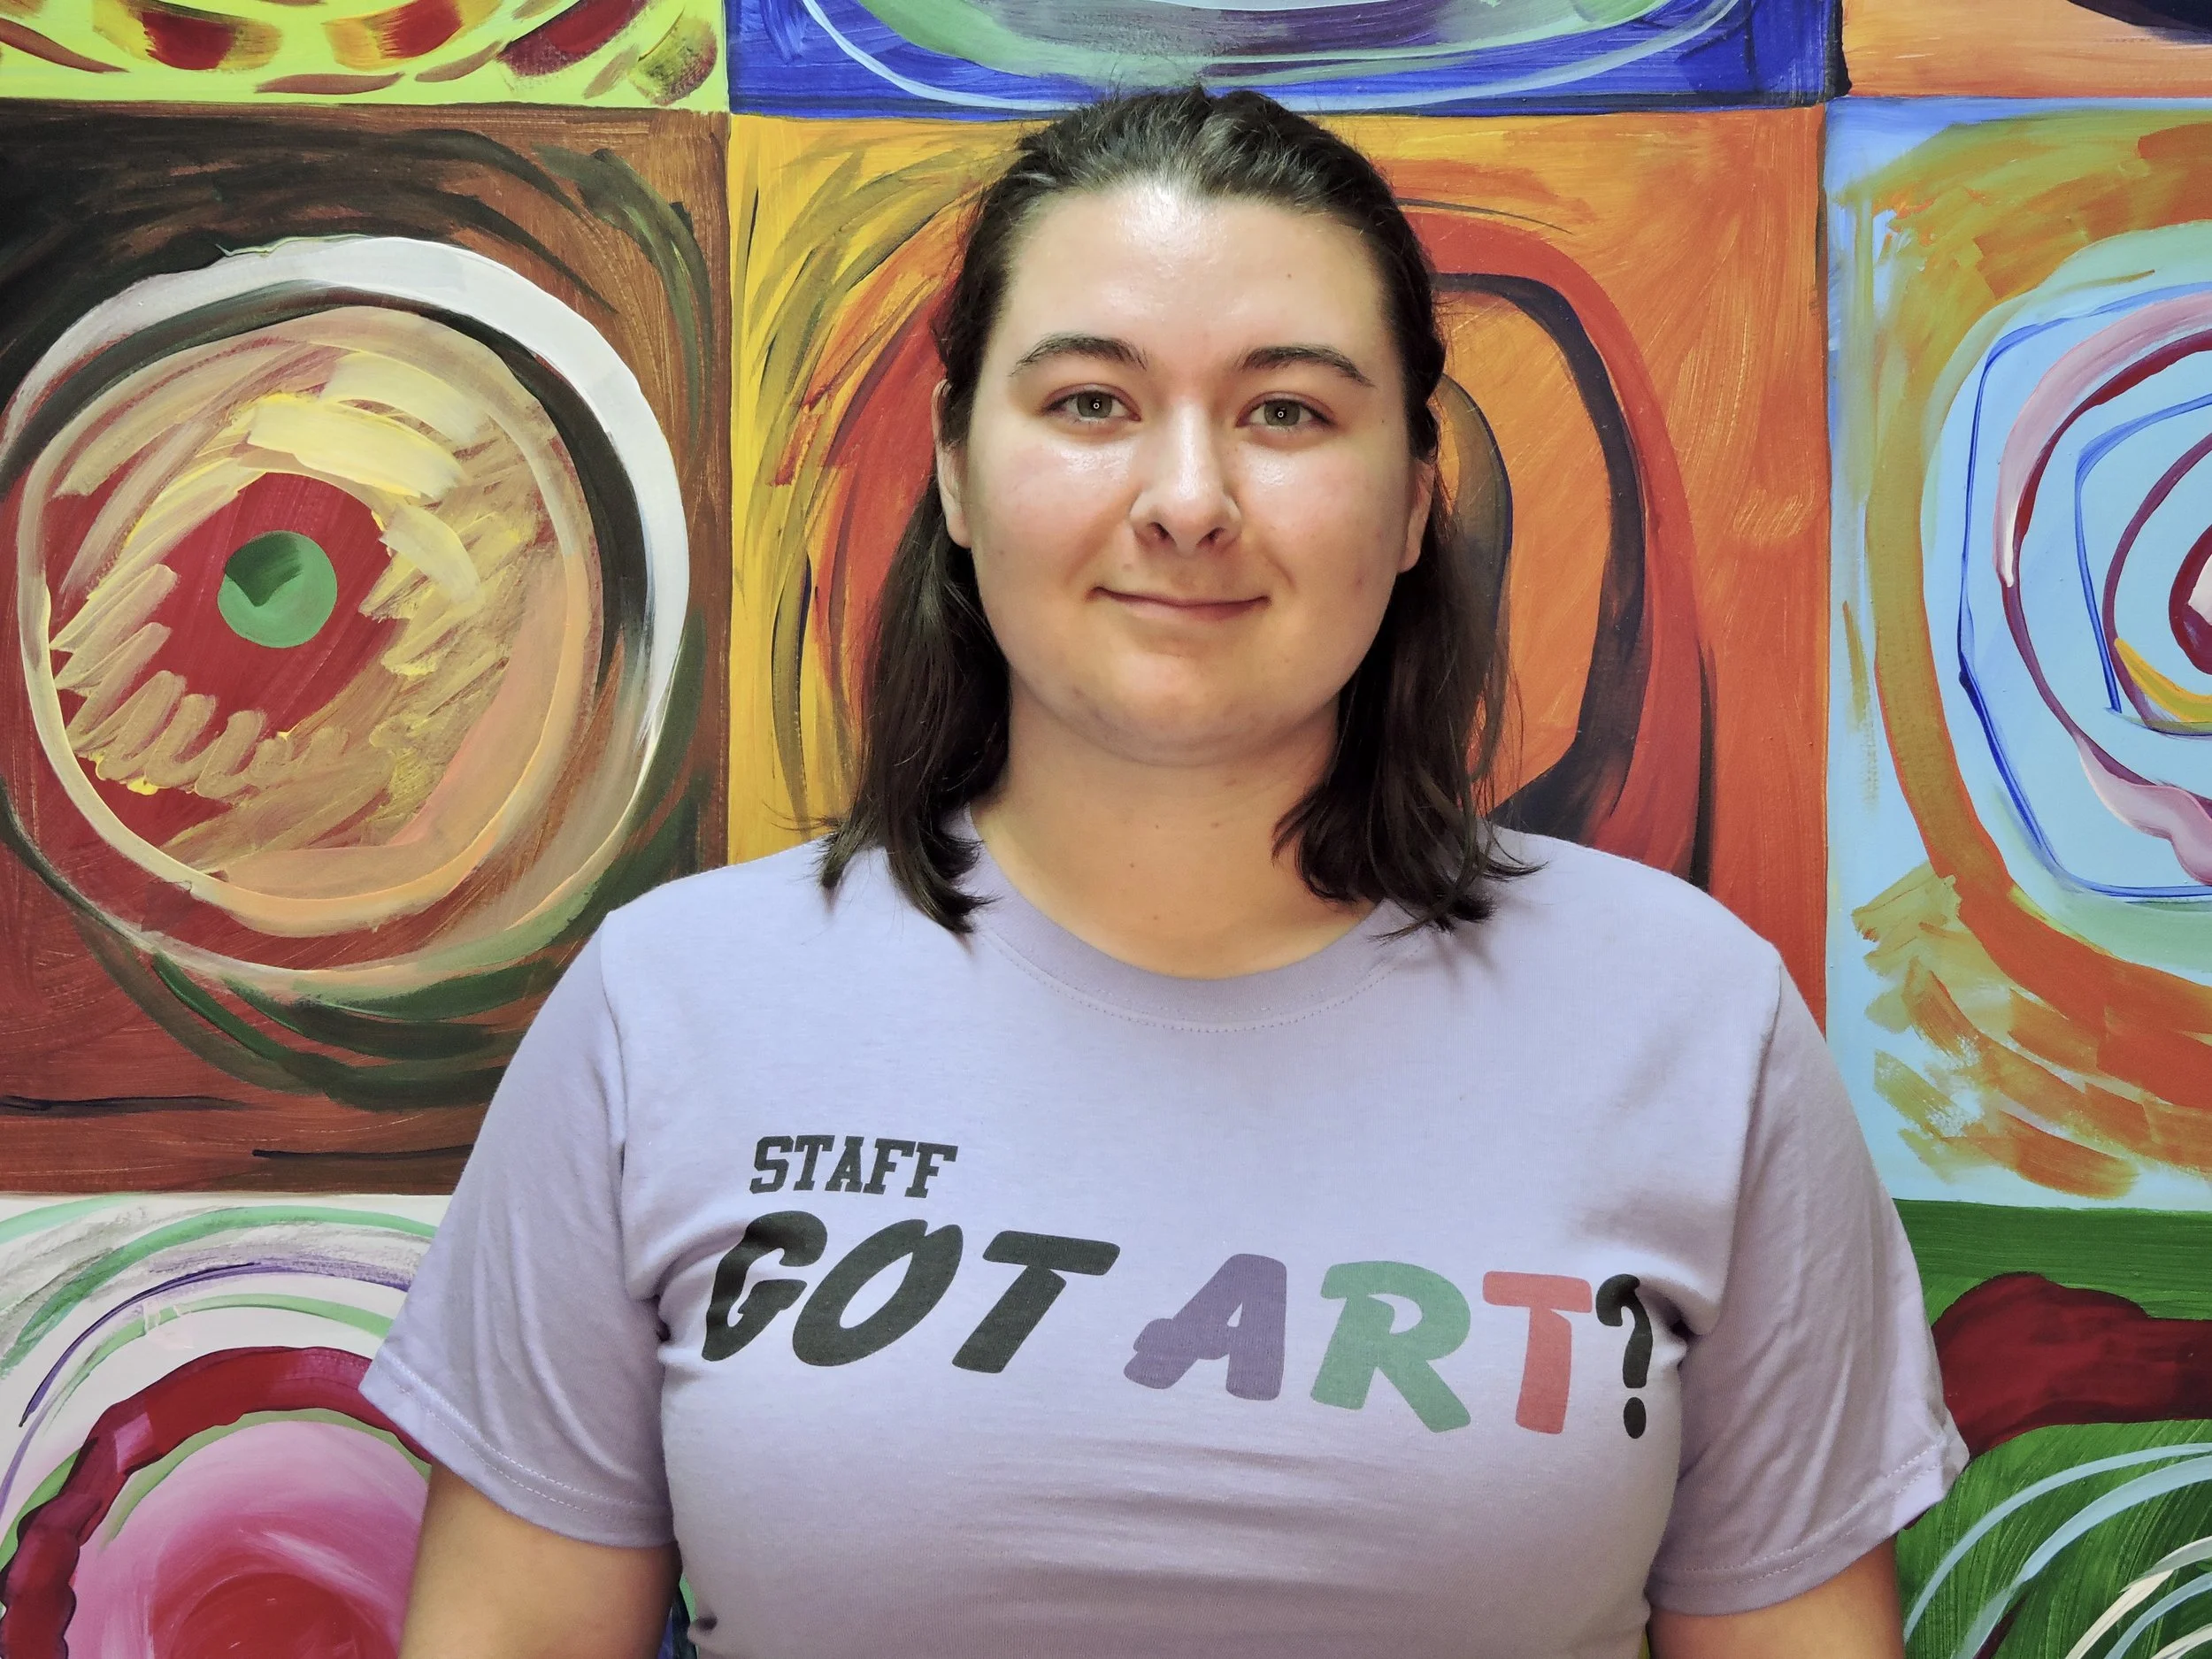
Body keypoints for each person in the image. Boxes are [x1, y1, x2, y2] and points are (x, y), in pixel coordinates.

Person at [365, 87, 1965, 1659]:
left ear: (1416, 494)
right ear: (951, 470)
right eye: (1089, 403)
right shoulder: (666, 1016)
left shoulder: (1694, 1024)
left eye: (1287, 411)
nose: (1188, 502)